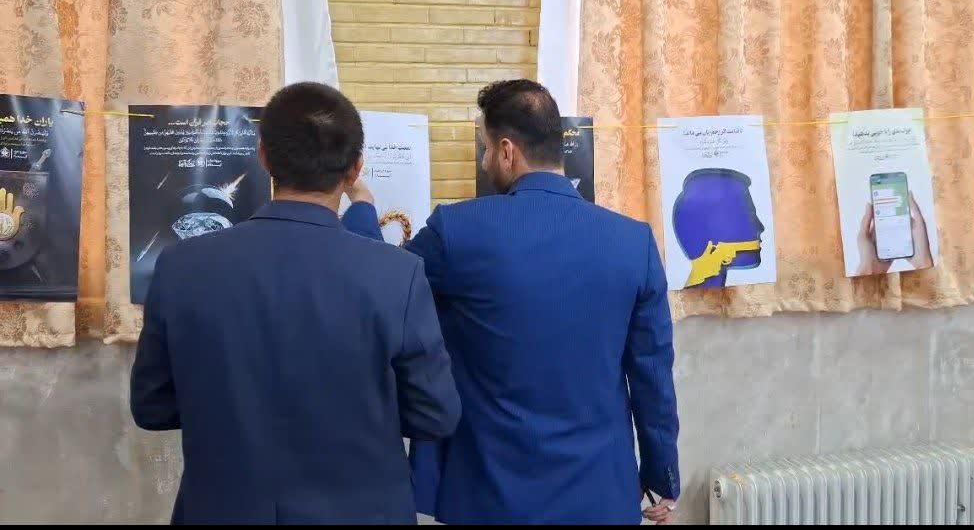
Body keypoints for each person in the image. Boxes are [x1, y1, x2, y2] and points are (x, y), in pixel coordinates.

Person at [342, 79, 680, 525]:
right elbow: (653, 374)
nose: (485, 161)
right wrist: (661, 473)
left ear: (507, 151)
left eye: (485, 149)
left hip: (490, 493)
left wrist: (361, 206)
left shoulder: (457, 230)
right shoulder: (633, 241)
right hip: (600, 493)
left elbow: (376, 285)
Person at [130, 82, 461, 525]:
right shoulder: (398, 274)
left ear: (263, 156)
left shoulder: (181, 265)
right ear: (356, 168)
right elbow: (435, 415)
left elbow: (152, 407)